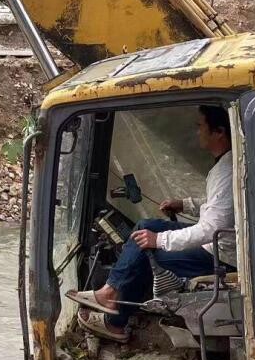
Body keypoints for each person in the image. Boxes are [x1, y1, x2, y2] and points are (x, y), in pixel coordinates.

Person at [67, 105, 234, 342]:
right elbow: (221, 205)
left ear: (218, 132)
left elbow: (211, 229)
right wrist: (185, 204)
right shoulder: (226, 164)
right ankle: (110, 292)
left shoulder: (227, 171)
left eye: (201, 126)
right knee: (146, 225)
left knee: (146, 255)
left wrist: (160, 241)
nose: (197, 132)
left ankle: (115, 322)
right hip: (220, 243)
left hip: (222, 254)